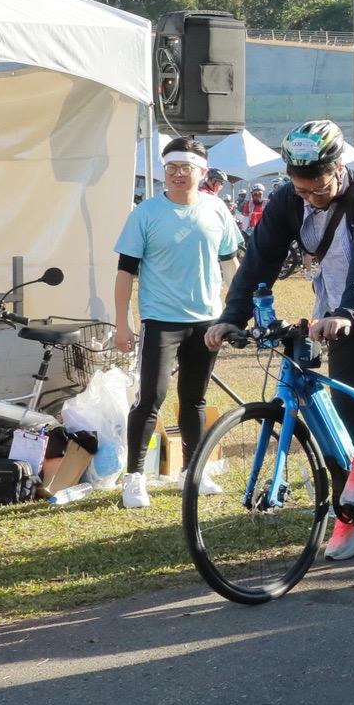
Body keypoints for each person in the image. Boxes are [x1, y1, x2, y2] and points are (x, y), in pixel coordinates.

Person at [211, 120, 354, 561]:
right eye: (301, 189)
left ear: (339, 166)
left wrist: (348, 313)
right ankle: (352, 512)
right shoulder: (287, 200)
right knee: (341, 408)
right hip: (337, 309)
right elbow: (259, 260)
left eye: (319, 188)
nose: (310, 197)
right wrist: (231, 316)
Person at [111, 137, 243, 509]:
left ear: (203, 172)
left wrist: (239, 310)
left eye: (186, 168)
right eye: (171, 168)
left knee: (195, 399)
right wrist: (123, 323)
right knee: (151, 397)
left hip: (206, 321)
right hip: (160, 320)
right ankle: (134, 477)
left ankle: (193, 471)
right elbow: (125, 273)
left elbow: (231, 264)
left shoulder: (217, 210)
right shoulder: (145, 214)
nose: (178, 174)